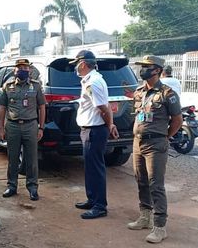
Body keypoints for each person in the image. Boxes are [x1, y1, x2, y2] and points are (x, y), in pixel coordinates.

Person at [128, 55, 182, 243]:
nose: (143, 70)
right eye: (142, 66)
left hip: (156, 144)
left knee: (155, 185)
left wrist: (165, 137)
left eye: (147, 67)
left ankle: (160, 227)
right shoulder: (139, 92)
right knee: (141, 180)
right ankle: (144, 217)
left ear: (157, 70)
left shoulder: (168, 93)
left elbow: (177, 120)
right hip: (138, 142)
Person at [69, 50, 119, 220]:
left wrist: (109, 125)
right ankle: (92, 199)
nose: (75, 67)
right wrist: (110, 124)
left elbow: (103, 109)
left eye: (76, 64)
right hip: (90, 130)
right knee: (90, 167)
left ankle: (100, 206)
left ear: (83, 64)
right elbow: (106, 105)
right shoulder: (91, 80)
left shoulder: (93, 83)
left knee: (96, 168)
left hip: (94, 130)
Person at [0, 58, 46, 201]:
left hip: (30, 126)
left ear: (29, 70)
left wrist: (41, 127)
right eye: (20, 68)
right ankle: (11, 186)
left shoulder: (36, 87)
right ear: (15, 70)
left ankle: (32, 187)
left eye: (25, 68)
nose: (23, 70)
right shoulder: (8, 86)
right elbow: (2, 107)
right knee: (12, 158)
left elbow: (42, 107)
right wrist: (1, 127)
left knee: (31, 158)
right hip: (12, 126)